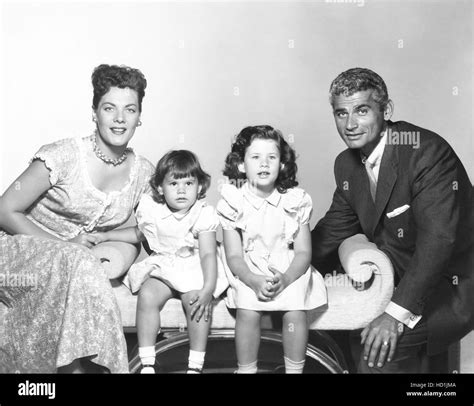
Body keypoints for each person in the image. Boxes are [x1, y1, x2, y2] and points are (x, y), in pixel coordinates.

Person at [311, 67, 473, 373]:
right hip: (397, 276)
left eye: (361, 110)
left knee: (376, 358)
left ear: (386, 110)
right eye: (341, 113)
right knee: (321, 323)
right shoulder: (346, 164)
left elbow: (438, 243)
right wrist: (267, 262)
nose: (350, 124)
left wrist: (394, 314)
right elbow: (330, 234)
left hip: (450, 284)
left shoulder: (426, 152)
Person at [0, 64, 154, 373]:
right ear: (95, 113)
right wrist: (66, 244)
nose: (120, 119)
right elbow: (5, 210)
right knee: (82, 264)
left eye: (130, 110)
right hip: (18, 252)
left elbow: (150, 230)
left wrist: (108, 240)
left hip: (74, 264)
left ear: (140, 117)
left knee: (82, 268)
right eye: (109, 108)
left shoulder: (144, 173)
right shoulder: (63, 156)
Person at [93, 150, 228, 374]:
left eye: (189, 183)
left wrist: (208, 288)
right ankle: (147, 361)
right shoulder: (153, 210)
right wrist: (106, 236)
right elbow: (138, 234)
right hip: (165, 265)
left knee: (195, 302)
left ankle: (195, 365)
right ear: (160, 188)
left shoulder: (202, 214)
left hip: (195, 266)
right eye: (174, 183)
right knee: (147, 294)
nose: (182, 190)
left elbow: (207, 254)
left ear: (200, 187)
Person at [217, 125, 327, 374]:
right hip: (248, 266)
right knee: (248, 309)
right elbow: (233, 255)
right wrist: (252, 280)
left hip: (288, 266)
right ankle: (246, 369)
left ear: (283, 164)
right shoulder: (233, 201)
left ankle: (294, 370)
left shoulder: (295, 200)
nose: (264, 163)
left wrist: (287, 278)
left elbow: (303, 253)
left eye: (272, 157)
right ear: (241, 165)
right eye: (255, 157)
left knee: (295, 310)